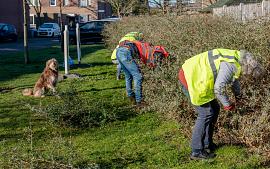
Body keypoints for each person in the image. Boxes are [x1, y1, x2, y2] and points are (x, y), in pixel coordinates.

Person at [178, 49, 263, 160]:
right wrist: (228, 105)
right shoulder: (231, 65)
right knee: (205, 113)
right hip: (190, 78)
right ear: (248, 68)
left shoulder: (237, 59)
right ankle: (197, 151)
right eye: (249, 74)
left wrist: (239, 97)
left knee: (215, 108)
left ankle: (207, 144)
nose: (246, 76)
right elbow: (218, 89)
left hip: (195, 75)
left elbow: (233, 80)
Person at [116, 40, 169, 107]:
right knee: (138, 76)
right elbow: (152, 64)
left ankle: (131, 96)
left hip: (119, 51)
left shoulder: (147, 46)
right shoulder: (156, 52)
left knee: (128, 76)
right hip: (127, 52)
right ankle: (139, 101)